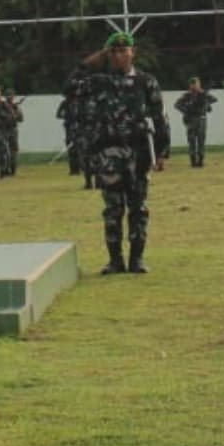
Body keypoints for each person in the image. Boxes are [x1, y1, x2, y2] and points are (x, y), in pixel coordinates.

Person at [78, 31, 169, 275]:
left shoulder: (146, 81)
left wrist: (161, 151)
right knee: (113, 209)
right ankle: (115, 260)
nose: (119, 56)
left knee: (138, 208)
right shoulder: (99, 82)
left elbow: (159, 117)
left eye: (123, 51)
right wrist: (90, 62)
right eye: (114, 51)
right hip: (109, 154)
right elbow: (69, 88)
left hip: (138, 154)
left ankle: (137, 259)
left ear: (132, 52)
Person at [174, 78, 217, 167]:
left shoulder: (203, 94)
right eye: (192, 84)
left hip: (201, 119)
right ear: (190, 85)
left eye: (195, 84)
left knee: (201, 140)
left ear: (199, 84)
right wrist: (186, 110)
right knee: (191, 140)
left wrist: (205, 102)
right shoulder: (187, 96)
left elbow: (214, 99)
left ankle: (200, 160)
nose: (194, 86)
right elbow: (177, 105)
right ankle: (193, 161)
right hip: (191, 120)